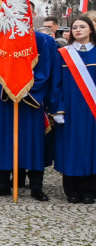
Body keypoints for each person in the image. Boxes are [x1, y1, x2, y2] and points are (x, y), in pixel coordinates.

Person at [0, 3, 58, 201]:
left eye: (26, 11)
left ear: (32, 13)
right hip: (5, 100)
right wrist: (8, 88)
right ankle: (3, 183)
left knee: (32, 143)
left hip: (31, 101)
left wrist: (27, 90)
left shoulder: (43, 41)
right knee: (4, 142)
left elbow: (47, 71)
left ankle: (36, 186)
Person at [51, 16, 96, 203]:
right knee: (70, 149)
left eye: (82, 26)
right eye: (74, 27)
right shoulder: (63, 54)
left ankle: (89, 190)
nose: (77, 30)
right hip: (70, 111)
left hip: (92, 111)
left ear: (91, 29)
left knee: (92, 148)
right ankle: (72, 190)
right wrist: (58, 109)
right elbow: (56, 84)